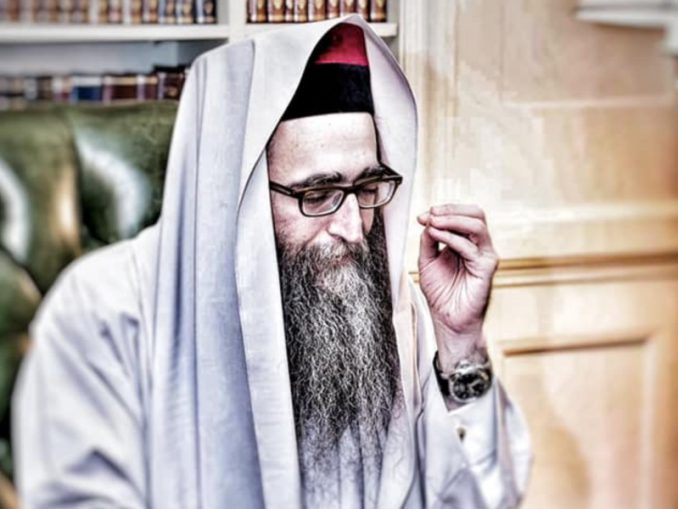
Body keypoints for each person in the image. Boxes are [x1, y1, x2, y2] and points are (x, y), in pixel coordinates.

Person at [12, 16, 532, 509]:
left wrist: (460, 341)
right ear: (234, 196)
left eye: (368, 187)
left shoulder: (379, 302)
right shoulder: (105, 310)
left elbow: (475, 497)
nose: (354, 228)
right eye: (319, 193)